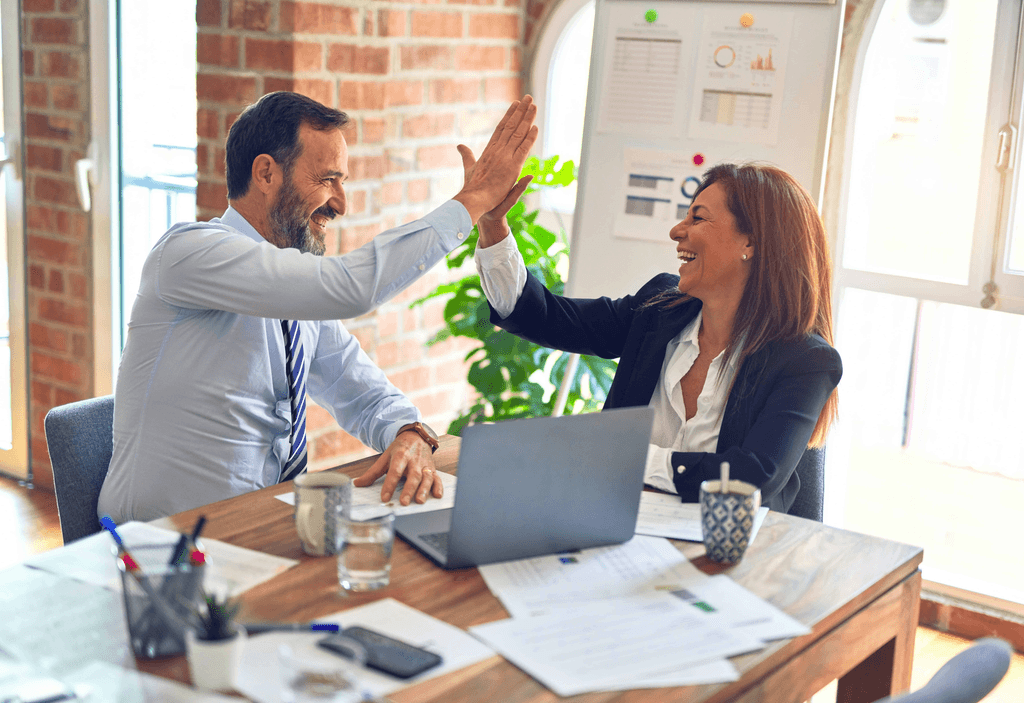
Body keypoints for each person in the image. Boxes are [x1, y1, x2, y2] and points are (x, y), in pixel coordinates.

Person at [98, 91, 537, 522]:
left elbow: (362, 391)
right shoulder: (188, 253)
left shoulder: (294, 294)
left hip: (260, 529)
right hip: (160, 548)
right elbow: (351, 287)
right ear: (266, 174)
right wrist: (474, 200)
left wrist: (409, 432)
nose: (341, 204)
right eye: (328, 179)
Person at [473, 162, 841, 513]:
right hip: (616, 527)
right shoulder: (659, 309)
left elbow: (751, 478)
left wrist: (625, 457)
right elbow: (547, 317)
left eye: (697, 217)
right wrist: (493, 226)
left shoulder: (805, 361)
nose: (677, 231)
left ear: (752, 243)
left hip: (729, 557)